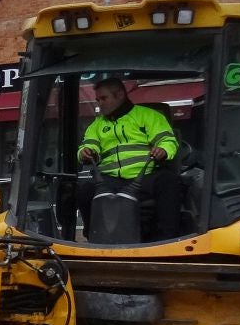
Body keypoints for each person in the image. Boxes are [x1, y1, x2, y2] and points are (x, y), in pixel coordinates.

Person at [70, 78, 185, 241]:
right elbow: (88, 145)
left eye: (104, 98)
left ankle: (167, 240)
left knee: (169, 182)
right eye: (97, 100)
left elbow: (167, 140)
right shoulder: (96, 125)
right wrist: (86, 152)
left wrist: (164, 149)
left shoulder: (148, 116)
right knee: (84, 190)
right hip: (110, 180)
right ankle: (93, 236)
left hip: (144, 177)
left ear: (119, 95)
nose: (100, 103)